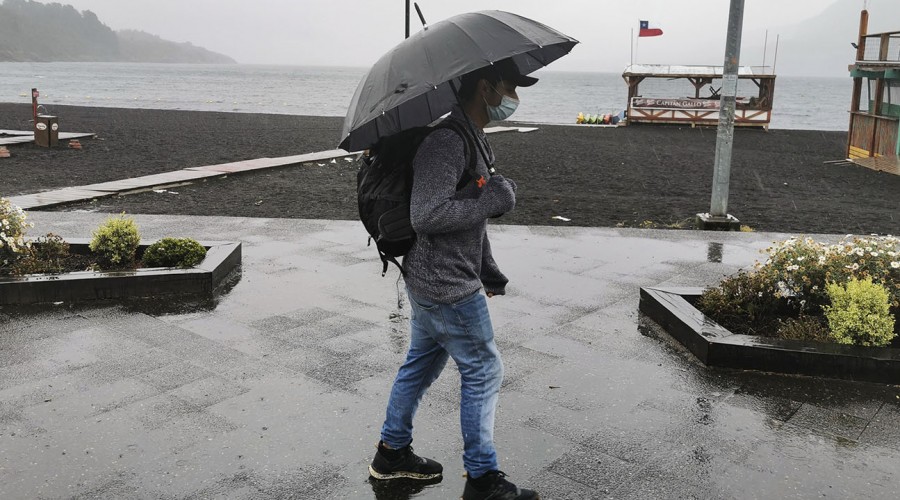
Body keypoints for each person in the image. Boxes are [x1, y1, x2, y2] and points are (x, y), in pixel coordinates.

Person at [368, 58, 539, 500]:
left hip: (436, 278)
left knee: (420, 363)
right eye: (510, 86)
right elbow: (426, 214)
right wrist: (494, 199)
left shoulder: (474, 138)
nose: (515, 96)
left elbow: (469, 218)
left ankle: (392, 453)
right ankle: (483, 480)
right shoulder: (447, 142)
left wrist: (489, 270)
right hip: (444, 285)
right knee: (484, 369)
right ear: (486, 88)